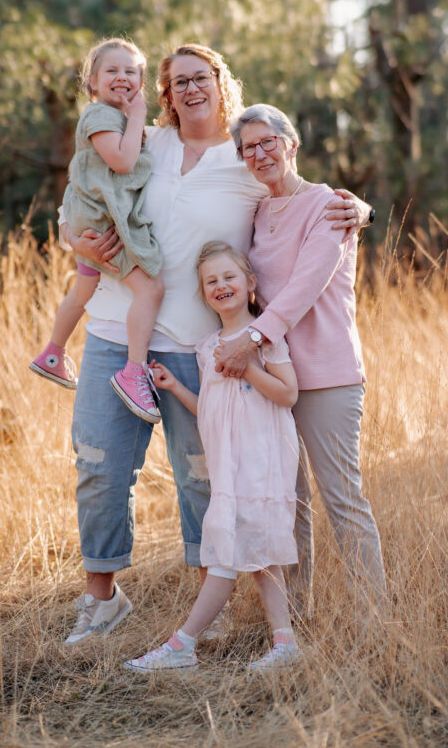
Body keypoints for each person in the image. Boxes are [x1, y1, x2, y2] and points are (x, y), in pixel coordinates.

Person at [57, 44, 372, 647]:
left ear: (221, 83)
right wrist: (73, 235)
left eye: (201, 77)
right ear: (165, 94)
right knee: (100, 469)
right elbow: (83, 189)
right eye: (178, 82)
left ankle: (215, 606)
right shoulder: (143, 142)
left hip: (201, 345)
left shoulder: (244, 158)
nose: (191, 89)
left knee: (206, 479)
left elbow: (298, 196)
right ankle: (101, 600)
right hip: (116, 332)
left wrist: (359, 208)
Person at [216, 104, 386, 622]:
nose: (259, 153)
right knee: (288, 503)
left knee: (343, 500)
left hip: (327, 375)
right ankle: (292, 623)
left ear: (291, 144)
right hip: (275, 377)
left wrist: (250, 338)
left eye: (268, 141)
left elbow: (304, 287)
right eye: (248, 147)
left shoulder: (329, 206)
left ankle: (373, 625)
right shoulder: (256, 213)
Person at [124, 241, 301, 673]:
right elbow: (210, 408)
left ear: (250, 282)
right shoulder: (206, 347)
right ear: (204, 294)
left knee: (226, 552)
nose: (221, 285)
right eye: (211, 281)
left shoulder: (263, 337)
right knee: (261, 556)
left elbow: (288, 394)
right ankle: (285, 643)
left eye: (229, 277)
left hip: (261, 461)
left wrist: (248, 366)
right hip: (228, 466)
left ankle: (182, 644)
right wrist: (174, 387)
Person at [30, 38, 164, 423]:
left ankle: (53, 353)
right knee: (151, 288)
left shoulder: (109, 117)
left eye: (131, 71)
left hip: (89, 217)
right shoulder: (100, 116)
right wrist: (139, 115)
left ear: (141, 81)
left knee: (83, 289)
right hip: (102, 223)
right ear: (92, 81)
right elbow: (122, 162)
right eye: (112, 70)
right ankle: (133, 372)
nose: (122, 77)